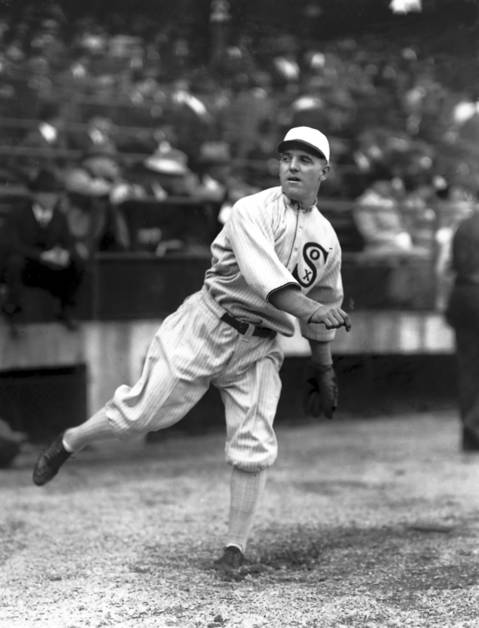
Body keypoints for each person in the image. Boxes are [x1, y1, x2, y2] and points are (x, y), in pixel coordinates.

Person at [32, 126, 351, 571]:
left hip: (259, 347)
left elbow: (329, 303)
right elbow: (271, 285)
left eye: (306, 159)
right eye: (287, 157)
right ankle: (71, 440)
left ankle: (234, 550)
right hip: (206, 323)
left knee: (255, 443)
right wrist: (312, 310)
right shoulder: (250, 210)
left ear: (325, 170)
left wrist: (324, 369)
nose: (293, 166)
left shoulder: (329, 240)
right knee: (140, 416)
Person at [1, 168, 85, 337]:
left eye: (53, 194)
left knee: (76, 263)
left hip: (48, 267)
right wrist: (40, 255)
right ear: (35, 195)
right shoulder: (19, 214)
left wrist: (63, 254)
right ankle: (14, 315)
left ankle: (66, 311)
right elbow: (10, 244)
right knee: (14, 263)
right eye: (46, 193)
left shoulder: (59, 216)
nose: (50, 198)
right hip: (25, 265)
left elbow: (68, 242)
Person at [445, 207, 479, 451]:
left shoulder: (463, 226)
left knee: (468, 369)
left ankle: (470, 434)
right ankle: (474, 427)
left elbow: (453, 265)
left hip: (462, 297)